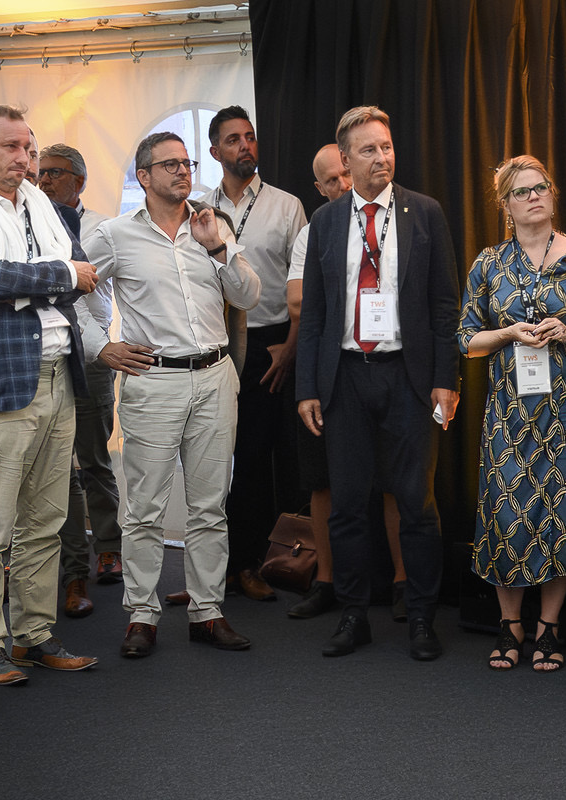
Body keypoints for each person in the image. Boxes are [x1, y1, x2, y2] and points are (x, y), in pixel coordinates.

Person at [0, 104, 99, 685]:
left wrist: (44, 278)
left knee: (46, 520)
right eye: (11, 147)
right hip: (0, 383)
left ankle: (33, 635)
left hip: (57, 375)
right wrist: (59, 274)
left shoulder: (47, 210)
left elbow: (83, 276)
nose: (25, 159)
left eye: (29, 148)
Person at [81, 131, 261, 659]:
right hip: (153, 381)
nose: (184, 171)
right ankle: (142, 615)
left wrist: (219, 247)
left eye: (187, 162)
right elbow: (73, 294)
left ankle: (208, 613)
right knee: (145, 509)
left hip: (214, 377)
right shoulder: (114, 235)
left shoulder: (211, 224)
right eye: (170, 164)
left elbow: (249, 295)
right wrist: (102, 346)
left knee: (210, 507)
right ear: (143, 176)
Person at [297, 106, 460, 661]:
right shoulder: (325, 222)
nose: (381, 157)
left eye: (386, 147)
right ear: (345, 160)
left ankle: (421, 616)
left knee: (417, 502)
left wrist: (445, 379)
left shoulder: (425, 212)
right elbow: (314, 315)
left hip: (409, 378)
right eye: (368, 150)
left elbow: (445, 305)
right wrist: (307, 387)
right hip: (344, 377)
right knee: (347, 505)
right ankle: (353, 614)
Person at [457, 155, 566, 671]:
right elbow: (466, 339)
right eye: (522, 191)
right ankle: (509, 624)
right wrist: (508, 332)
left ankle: (549, 625)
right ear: (505, 205)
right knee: (507, 512)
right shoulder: (489, 264)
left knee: (565, 513)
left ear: (553, 194)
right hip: (510, 412)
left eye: (541, 187)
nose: (534, 196)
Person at [286, 143, 407, 622]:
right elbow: (298, 304)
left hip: (391, 365)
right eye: (331, 180)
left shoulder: (403, 216)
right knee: (324, 483)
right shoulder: (317, 229)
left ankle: (402, 583)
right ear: (319, 188)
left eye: (345, 173)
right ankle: (327, 581)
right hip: (333, 370)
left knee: (398, 481)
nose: (342, 184)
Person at [200, 105, 306, 603]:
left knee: (256, 458)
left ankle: (250, 563)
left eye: (250, 136)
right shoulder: (199, 208)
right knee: (212, 458)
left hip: (271, 343)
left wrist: (291, 345)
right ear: (214, 151)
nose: (245, 145)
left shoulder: (286, 206)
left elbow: (305, 281)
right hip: (216, 343)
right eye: (233, 139)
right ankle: (212, 570)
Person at [38, 142, 124, 617]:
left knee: (93, 459)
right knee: (60, 469)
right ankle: (73, 568)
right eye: (41, 173)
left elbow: (83, 289)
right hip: (46, 355)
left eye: (54, 172)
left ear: (80, 181)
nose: (44, 180)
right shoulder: (31, 224)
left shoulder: (103, 229)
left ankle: (108, 546)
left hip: (90, 356)